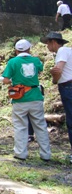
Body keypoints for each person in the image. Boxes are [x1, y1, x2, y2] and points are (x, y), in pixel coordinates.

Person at [1, 39, 51, 161]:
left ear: (16, 50)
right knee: (40, 126)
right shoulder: (35, 60)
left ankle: (20, 153)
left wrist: (14, 81)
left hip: (20, 98)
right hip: (35, 96)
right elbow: (40, 69)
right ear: (29, 49)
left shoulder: (13, 61)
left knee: (20, 126)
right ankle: (45, 154)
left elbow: (5, 79)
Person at [41, 31, 72, 163]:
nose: (47, 46)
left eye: (47, 43)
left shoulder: (62, 51)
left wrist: (54, 78)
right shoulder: (68, 51)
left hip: (68, 87)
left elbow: (58, 70)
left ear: (53, 42)